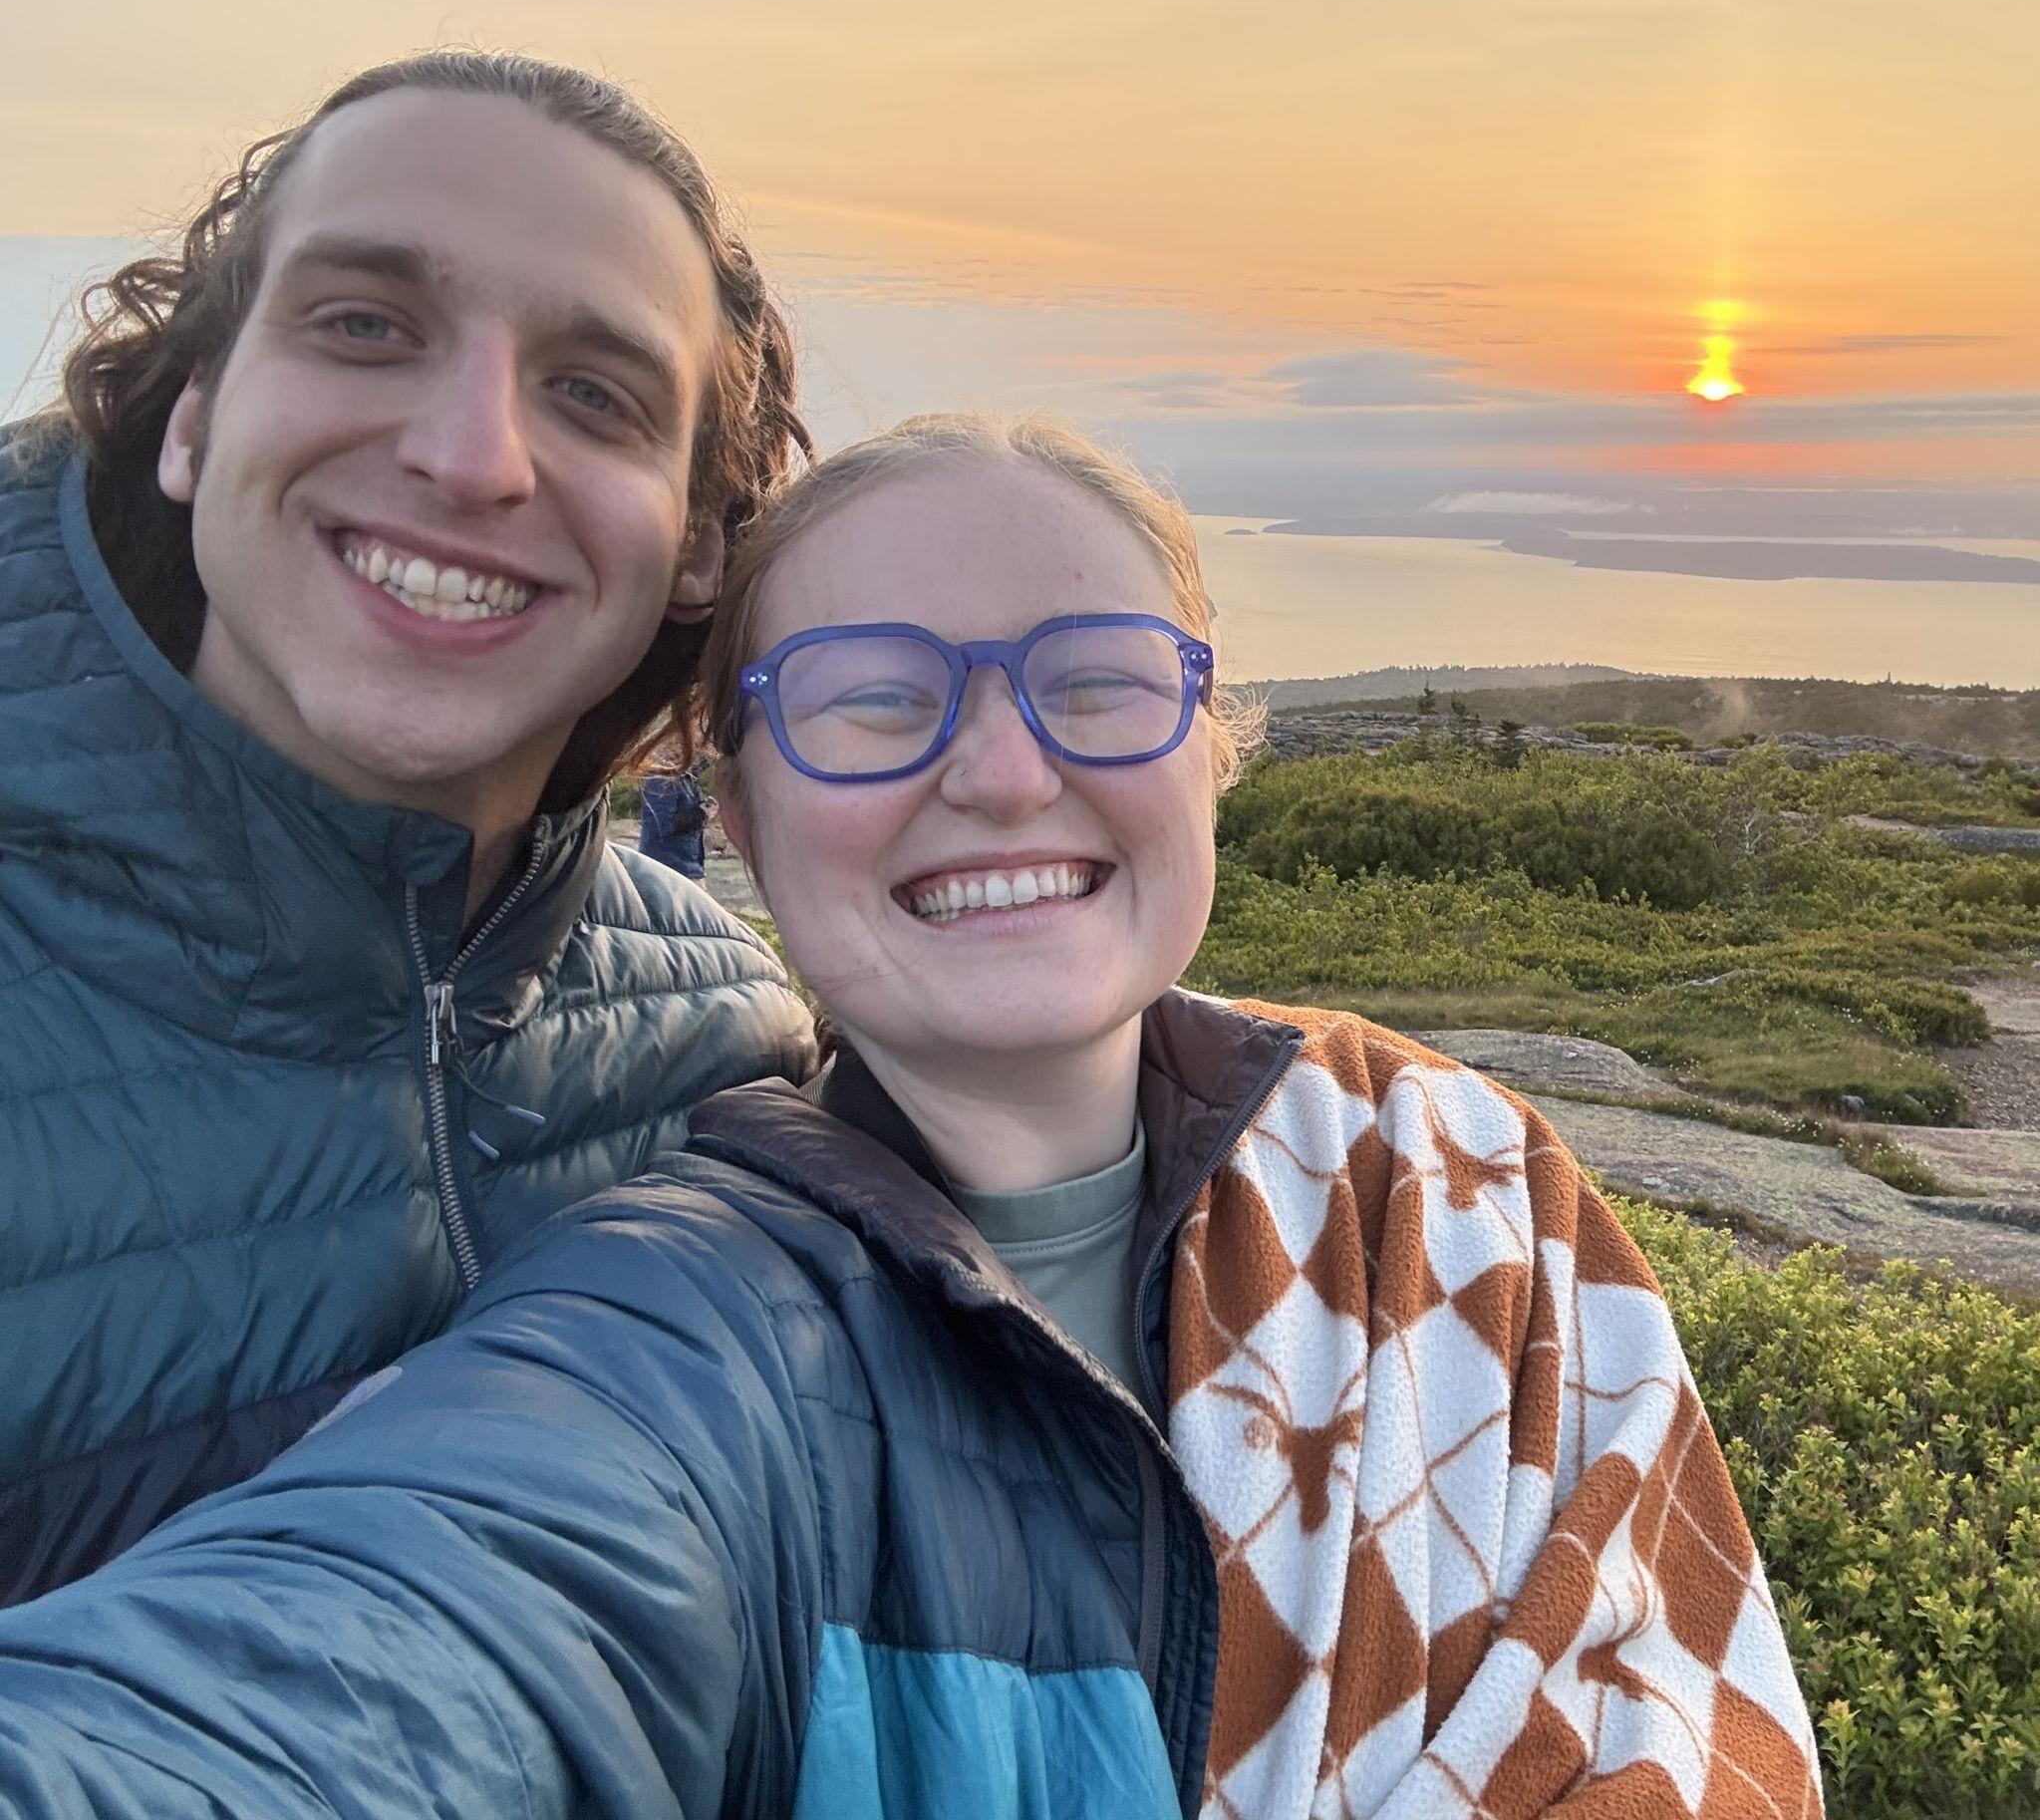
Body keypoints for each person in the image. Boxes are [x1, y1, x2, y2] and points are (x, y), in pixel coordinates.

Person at [0, 417, 1824, 1818]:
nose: (1005, 767)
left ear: (1212, 743)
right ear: (732, 799)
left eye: (1099, 680)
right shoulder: (701, 1313)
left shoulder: (1453, 1172)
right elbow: (397, 1644)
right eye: (874, 699)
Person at [0, 52, 815, 1607]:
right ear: (191, 418)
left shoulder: (731, 1051)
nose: (468, 454)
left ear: (698, 543)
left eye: (593, 393)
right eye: (365, 326)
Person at [639, 761, 711, 878]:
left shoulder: (687, 778)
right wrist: (700, 814)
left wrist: (702, 811)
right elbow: (660, 825)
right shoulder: (663, 779)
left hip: (684, 868)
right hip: (667, 870)